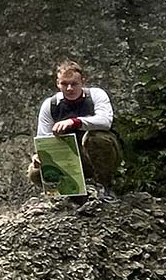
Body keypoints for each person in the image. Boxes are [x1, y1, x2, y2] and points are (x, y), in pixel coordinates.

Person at [29, 60, 121, 194]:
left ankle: (104, 186)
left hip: (101, 155)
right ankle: (71, 194)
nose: (69, 88)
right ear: (57, 83)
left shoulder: (96, 95)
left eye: (74, 84)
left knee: (95, 138)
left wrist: (75, 122)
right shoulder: (50, 105)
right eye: (64, 84)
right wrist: (40, 156)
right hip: (69, 158)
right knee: (34, 171)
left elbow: (105, 121)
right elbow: (43, 139)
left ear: (83, 82)